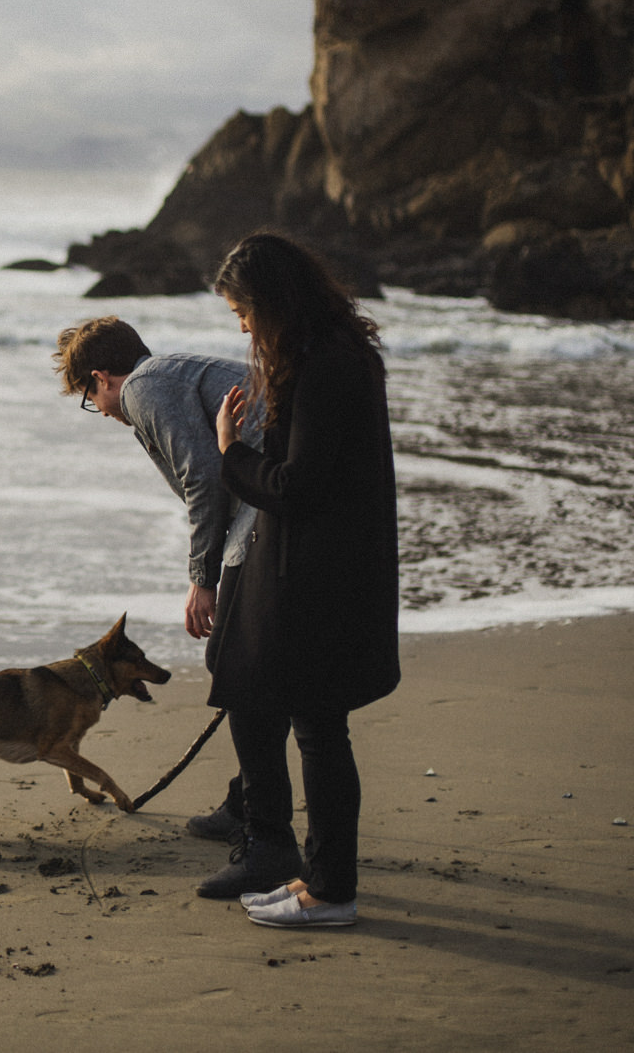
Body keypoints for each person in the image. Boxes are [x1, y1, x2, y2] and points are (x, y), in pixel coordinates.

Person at [200, 231, 399, 929]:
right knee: (320, 728)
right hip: (336, 571)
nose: (244, 327)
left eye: (243, 313)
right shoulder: (339, 355)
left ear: (271, 301)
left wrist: (232, 452)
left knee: (319, 732)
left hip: (322, 579)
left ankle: (330, 891)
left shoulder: (323, 369)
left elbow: (299, 485)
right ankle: (317, 877)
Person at [51, 315, 259, 840]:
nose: (99, 410)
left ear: (102, 378)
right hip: (282, 496)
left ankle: (251, 810)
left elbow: (204, 476)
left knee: (233, 661)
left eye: (89, 398)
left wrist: (201, 578)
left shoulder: (144, 387)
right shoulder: (173, 371)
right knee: (251, 667)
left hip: (272, 506)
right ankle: (251, 802)